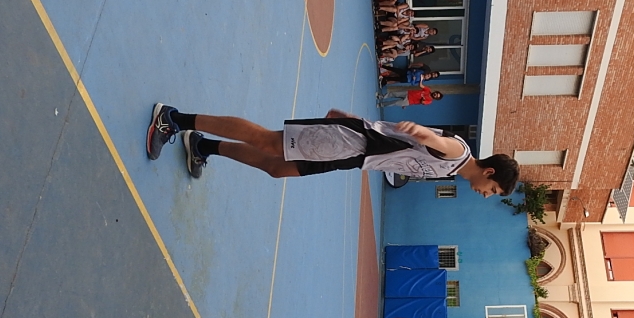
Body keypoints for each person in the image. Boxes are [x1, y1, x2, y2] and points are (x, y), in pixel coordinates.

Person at [145, 104, 520, 195]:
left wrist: (355, 119)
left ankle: (205, 145)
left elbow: (403, 146)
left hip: (354, 156)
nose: (486, 194)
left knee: (278, 169)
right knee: (268, 141)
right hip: (353, 143)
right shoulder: (457, 153)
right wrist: (422, 131)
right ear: (489, 173)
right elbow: (433, 141)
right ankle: (174, 119)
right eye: (493, 190)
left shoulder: (453, 170)